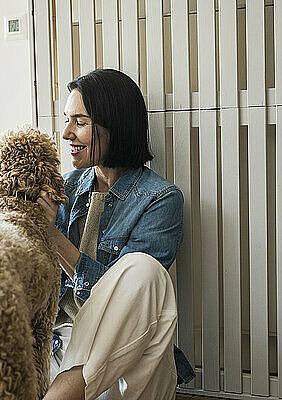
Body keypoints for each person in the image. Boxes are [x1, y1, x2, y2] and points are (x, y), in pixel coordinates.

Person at [37, 68, 194, 400]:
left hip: (127, 358)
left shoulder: (160, 200)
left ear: (115, 125)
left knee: (144, 270)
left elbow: (127, 297)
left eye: (79, 122)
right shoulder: (61, 188)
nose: (65, 133)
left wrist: (51, 235)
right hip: (61, 343)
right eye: (67, 120)